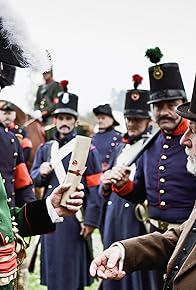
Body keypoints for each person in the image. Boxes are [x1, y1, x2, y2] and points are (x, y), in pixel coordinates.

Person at [100, 48, 196, 289]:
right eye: (157, 105)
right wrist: (124, 187)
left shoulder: (191, 142)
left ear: (183, 103)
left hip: (189, 242)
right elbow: (141, 193)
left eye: (171, 104)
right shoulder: (150, 145)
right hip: (155, 237)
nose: (164, 112)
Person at [30, 92, 102, 290]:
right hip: (50, 216)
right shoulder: (46, 149)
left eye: (68, 118)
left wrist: (90, 220)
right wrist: (41, 173)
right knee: (53, 269)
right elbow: (33, 178)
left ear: (75, 121)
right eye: (60, 118)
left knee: (71, 272)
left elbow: (96, 187)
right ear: (55, 120)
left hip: (74, 217)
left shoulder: (88, 149)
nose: (64, 122)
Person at [99, 74, 156, 290]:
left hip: (135, 218)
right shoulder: (119, 147)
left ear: (148, 121)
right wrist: (105, 186)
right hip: (113, 216)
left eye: (137, 119)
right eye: (129, 119)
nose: (132, 124)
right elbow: (105, 189)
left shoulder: (151, 148)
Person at [33, 67, 64, 140]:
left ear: (51, 73)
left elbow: (56, 102)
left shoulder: (57, 86)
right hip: (39, 115)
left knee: (49, 129)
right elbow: (37, 102)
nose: (45, 75)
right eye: (43, 73)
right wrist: (36, 111)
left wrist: (45, 112)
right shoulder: (40, 88)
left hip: (51, 115)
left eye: (47, 73)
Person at [92, 103, 122, 172]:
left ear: (112, 119)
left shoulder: (118, 137)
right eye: (98, 118)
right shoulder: (93, 138)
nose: (100, 121)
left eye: (103, 118)